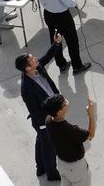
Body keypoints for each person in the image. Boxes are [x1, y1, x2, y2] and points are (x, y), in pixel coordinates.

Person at [17, 33, 65, 181]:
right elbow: (34, 110)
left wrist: (56, 44)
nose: (36, 59)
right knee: (49, 148)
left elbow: (47, 57)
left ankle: (40, 168)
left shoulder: (37, 68)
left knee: (41, 142)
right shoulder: (26, 89)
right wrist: (49, 120)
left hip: (51, 110)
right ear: (27, 68)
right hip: (44, 120)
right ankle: (52, 174)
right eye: (32, 59)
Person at [36, 0, 90, 73]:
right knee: (72, 41)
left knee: (55, 40)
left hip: (49, 14)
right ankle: (77, 66)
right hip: (62, 16)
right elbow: (67, 1)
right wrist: (74, 3)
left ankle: (61, 64)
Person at [44, 94, 96, 186]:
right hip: (75, 168)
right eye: (64, 103)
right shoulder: (70, 130)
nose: (67, 102)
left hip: (61, 164)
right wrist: (91, 113)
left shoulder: (48, 120)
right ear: (59, 112)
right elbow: (91, 135)